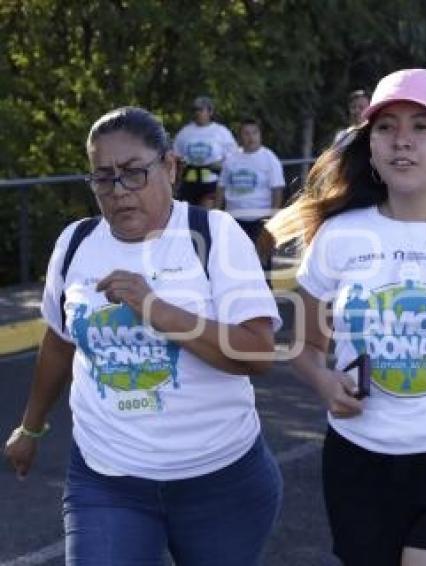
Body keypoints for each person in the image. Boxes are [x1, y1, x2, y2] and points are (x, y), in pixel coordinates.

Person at [265, 68, 426, 566]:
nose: (401, 141)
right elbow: (303, 347)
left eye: (422, 127)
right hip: (359, 462)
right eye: (386, 128)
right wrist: (325, 384)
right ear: (370, 148)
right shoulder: (338, 236)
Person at [3, 107, 283, 564]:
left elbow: (258, 354)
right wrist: (30, 427)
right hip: (107, 478)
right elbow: (58, 341)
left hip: (221, 483)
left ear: (169, 167)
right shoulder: (75, 242)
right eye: (103, 178)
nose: (119, 192)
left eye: (134, 174)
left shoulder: (213, 234)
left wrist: (157, 309)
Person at [216, 117, 285, 270]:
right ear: (240, 136)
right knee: (235, 263)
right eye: (246, 133)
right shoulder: (231, 159)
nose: (251, 137)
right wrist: (216, 213)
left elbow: (277, 190)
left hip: (260, 220)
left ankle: (265, 292)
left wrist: (273, 219)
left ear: (260, 135)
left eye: (254, 132)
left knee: (262, 264)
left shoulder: (269, 158)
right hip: (234, 219)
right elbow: (221, 187)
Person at [173, 95, 238, 209]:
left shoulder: (221, 132)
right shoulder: (185, 132)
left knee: (206, 215)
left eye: (201, 109)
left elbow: (233, 155)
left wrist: (222, 164)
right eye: (195, 110)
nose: (198, 113)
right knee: (189, 216)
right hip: (189, 181)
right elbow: (175, 155)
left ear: (210, 112)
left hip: (211, 181)